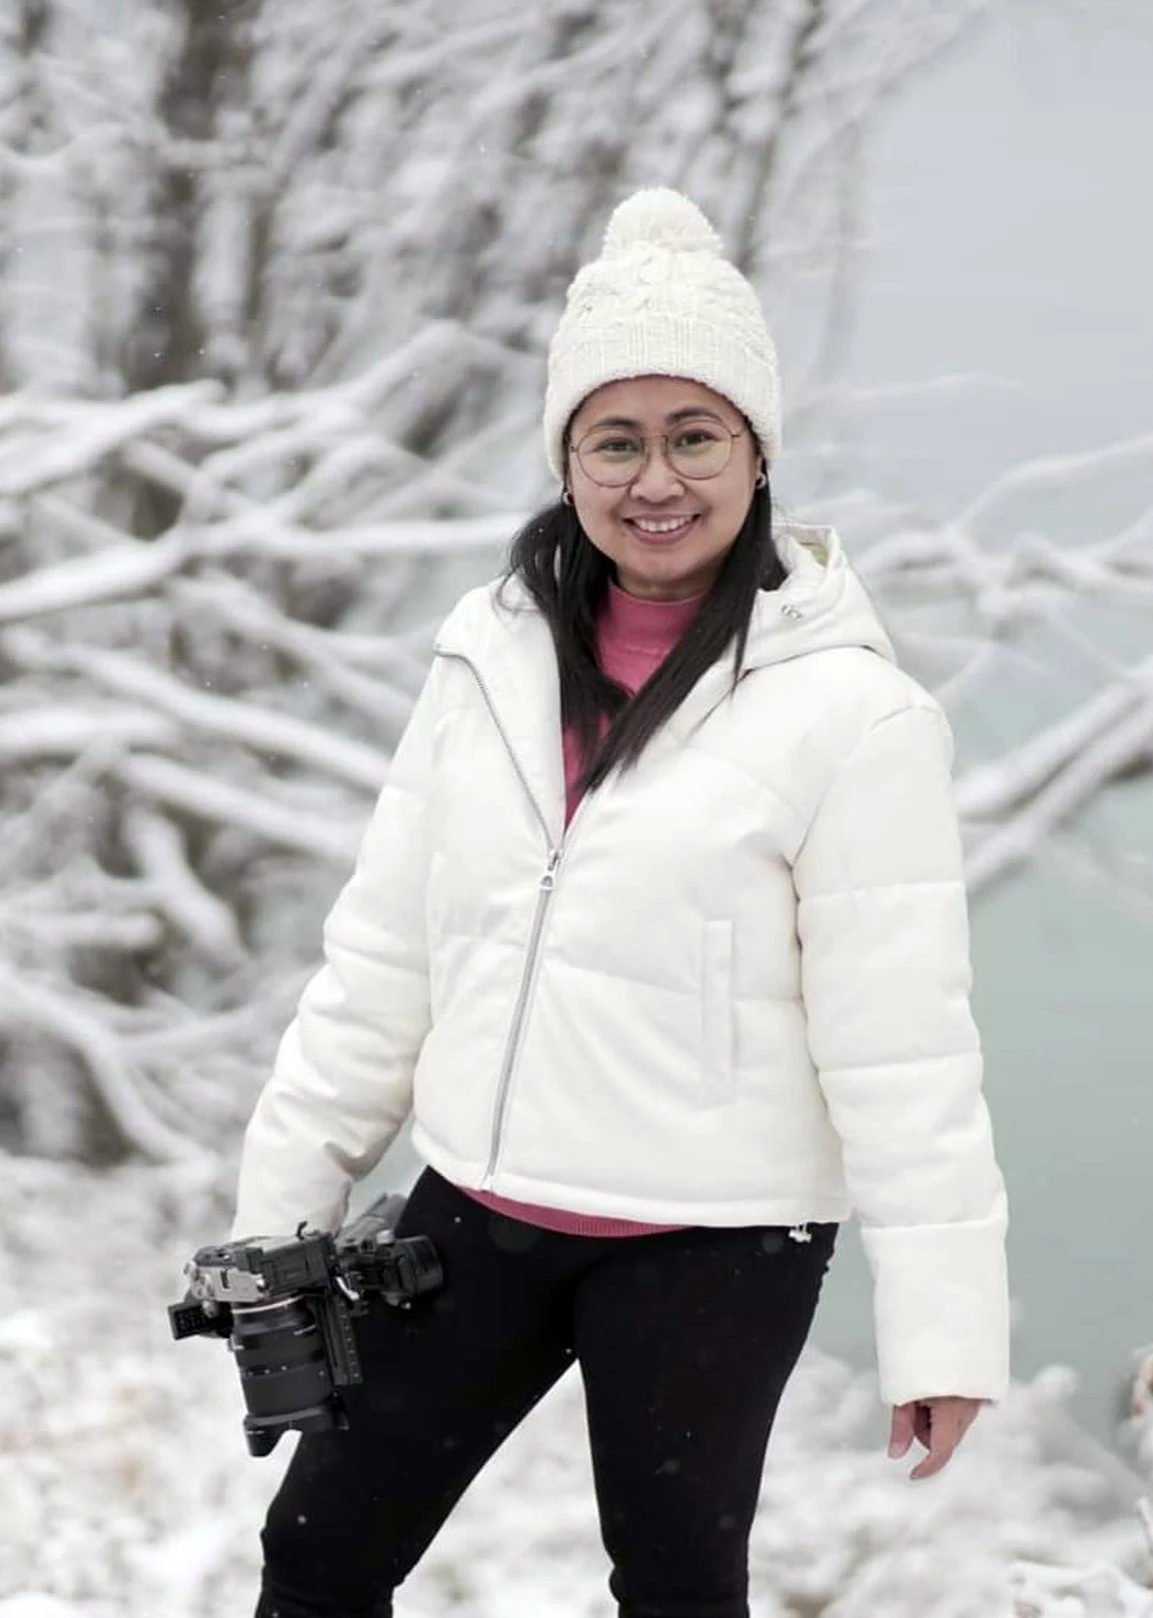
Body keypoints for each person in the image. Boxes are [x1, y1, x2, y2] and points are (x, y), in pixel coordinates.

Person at [222, 186, 1009, 1618]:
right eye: (616, 438)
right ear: (568, 458)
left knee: (676, 1591)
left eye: (695, 433)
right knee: (317, 1551)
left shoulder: (855, 712)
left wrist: (943, 1327)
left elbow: (904, 1045)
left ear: (757, 450)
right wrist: (282, 1202)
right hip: (475, 1207)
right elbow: (385, 949)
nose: (658, 478)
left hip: (713, 1240)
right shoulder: (488, 657)